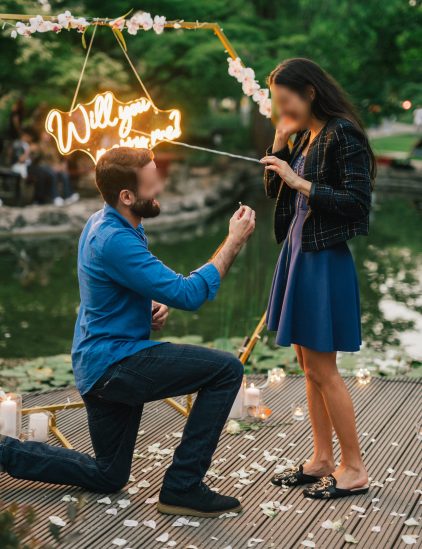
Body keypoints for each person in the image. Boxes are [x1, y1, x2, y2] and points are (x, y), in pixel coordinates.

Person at [0, 146, 256, 518]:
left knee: (109, 474)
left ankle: (3, 453)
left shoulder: (108, 221)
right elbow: (190, 293)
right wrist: (234, 240)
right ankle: (183, 486)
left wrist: (145, 306)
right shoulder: (115, 239)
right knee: (226, 369)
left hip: (97, 364)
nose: (160, 190)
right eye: (152, 185)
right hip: (113, 366)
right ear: (126, 196)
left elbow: (109, 288)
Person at [260, 58, 374, 500]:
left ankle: (354, 468)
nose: (282, 110)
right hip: (298, 251)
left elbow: (357, 204)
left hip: (323, 258)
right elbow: (275, 191)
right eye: (277, 104)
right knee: (308, 367)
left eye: (286, 102)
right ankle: (323, 459)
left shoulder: (342, 133)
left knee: (325, 369)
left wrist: (301, 182)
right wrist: (281, 143)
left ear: (309, 92)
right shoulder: (307, 135)